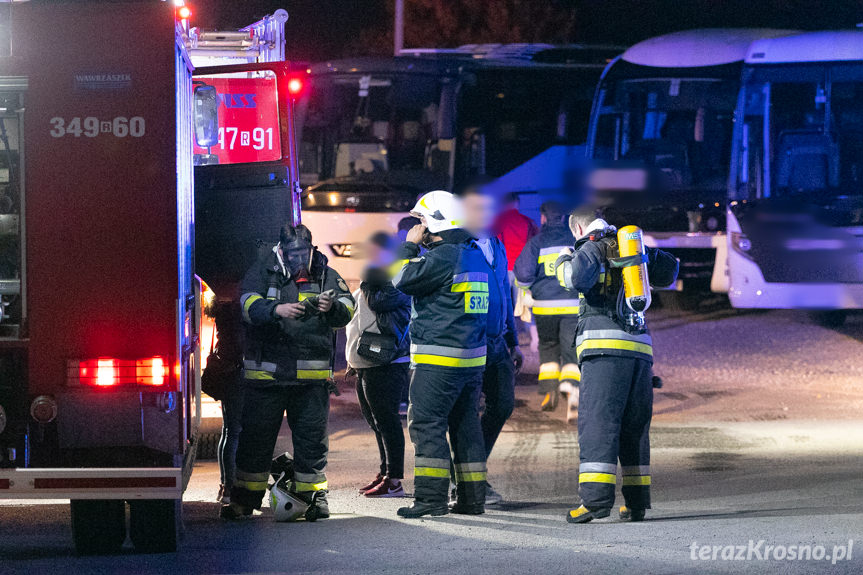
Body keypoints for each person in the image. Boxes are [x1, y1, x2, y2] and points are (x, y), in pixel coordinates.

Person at [221, 224, 355, 521]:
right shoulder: (262, 270)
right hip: (267, 378)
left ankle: (312, 499)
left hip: (310, 380)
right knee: (255, 441)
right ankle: (244, 501)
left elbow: (348, 308)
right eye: (294, 253)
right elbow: (246, 305)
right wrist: (277, 310)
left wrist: (331, 306)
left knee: (312, 443)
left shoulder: (323, 272)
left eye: (304, 252)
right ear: (281, 250)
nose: (300, 259)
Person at [555, 207, 678, 524]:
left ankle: (594, 503)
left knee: (599, 425)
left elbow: (577, 279)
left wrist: (562, 263)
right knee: (634, 427)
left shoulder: (591, 245)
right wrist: (642, 253)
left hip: (605, 349)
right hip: (640, 350)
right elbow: (670, 272)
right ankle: (636, 503)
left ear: (578, 228)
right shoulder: (631, 245)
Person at [392, 190, 489, 518]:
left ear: (434, 221)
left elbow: (401, 278)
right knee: (466, 427)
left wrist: (408, 245)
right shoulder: (475, 254)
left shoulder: (443, 256)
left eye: (420, 220)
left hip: (438, 360)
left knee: (427, 425)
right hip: (471, 359)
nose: (417, 226)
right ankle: (472, 499)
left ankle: (431, 500)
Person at [460, 186, 522, 506]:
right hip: (469, 344)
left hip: (498, 344)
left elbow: (504, 294)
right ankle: (470, 481)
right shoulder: (458, 246)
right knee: (466, 415)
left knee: (503, 404)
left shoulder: (497, 246)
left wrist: (514, 340)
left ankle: (471, 471)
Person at [345, 231, 411, 498]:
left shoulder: (396, 280)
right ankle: (385, 473)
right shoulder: (373, 280)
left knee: (387, 421)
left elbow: (380, 303)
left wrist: (372, 275)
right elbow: (359, 319)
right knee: (376, 422)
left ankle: (394, 481)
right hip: (366, 361)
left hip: (387, 361)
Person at [513, 202, 580, 419]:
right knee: (571, 350)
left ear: (543, 218)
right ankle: (571, 389)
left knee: (549, 348)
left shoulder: (537, 243)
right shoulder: (575, 242)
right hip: (573, 306)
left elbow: (522, 273)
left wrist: (526, 291)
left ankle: (548, 391)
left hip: (544, 308)